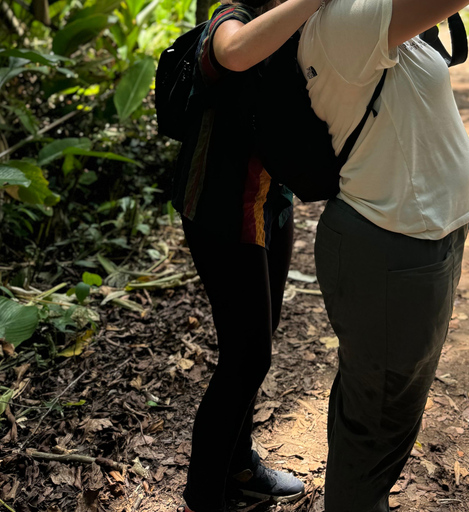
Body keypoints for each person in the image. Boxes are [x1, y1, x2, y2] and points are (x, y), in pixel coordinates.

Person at [297, 0, 469, 510]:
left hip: (416, 236)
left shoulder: (361, 17)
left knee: (383, 402)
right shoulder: (342, 23)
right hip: (391, 247)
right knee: (379, 416)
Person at [171, 0, 324, 510]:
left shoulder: (291, 17)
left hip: (268, 202)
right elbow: (234, 53)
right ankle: (205, 494)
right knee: (247, 355)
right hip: (219, 206)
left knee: (256, 343)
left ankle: (238, 467)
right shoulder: (228, 16)